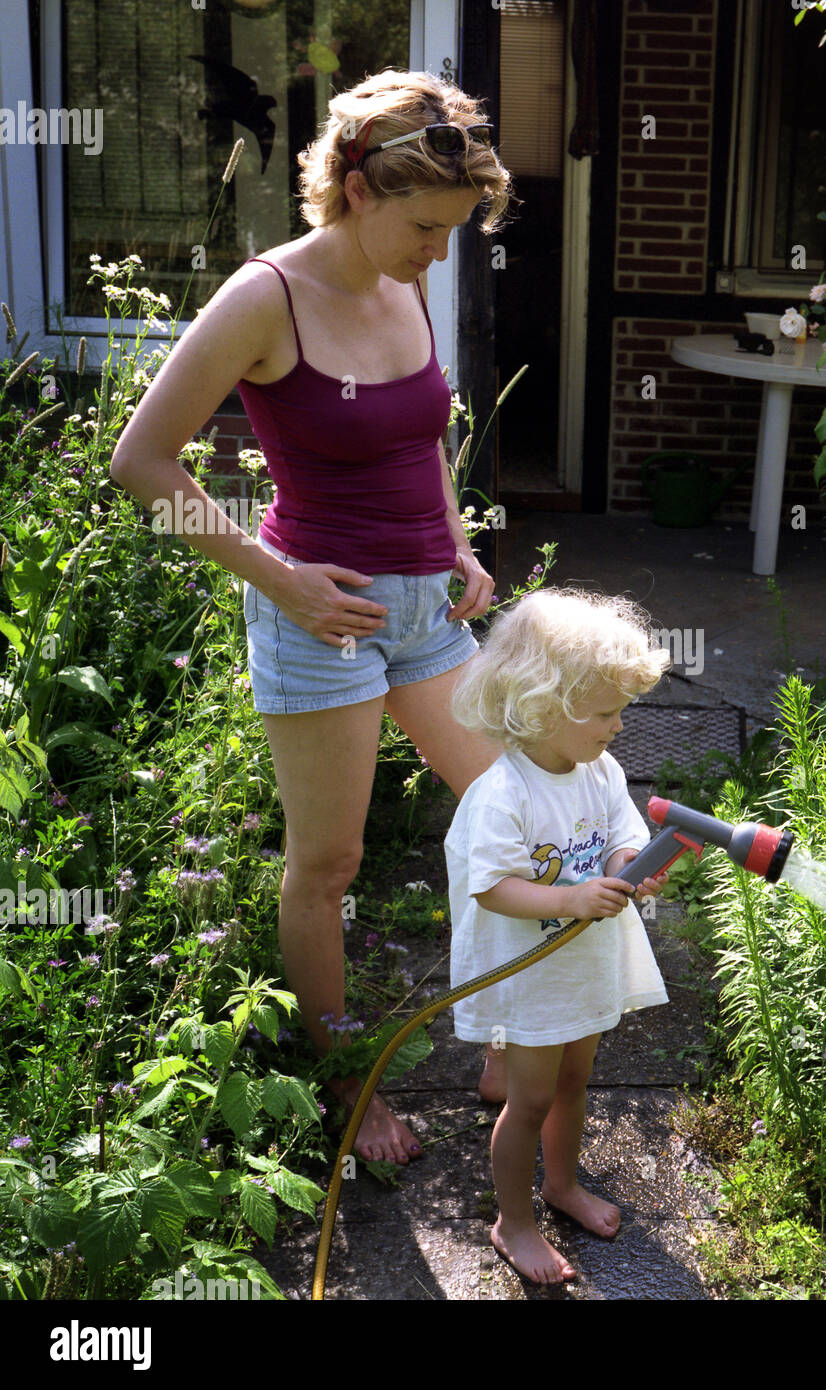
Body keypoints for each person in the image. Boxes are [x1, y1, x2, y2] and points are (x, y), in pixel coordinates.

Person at [109, 69, 514, 1165]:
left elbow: (421, 434)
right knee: (325, 865)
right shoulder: (265, 298)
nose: (440, 253)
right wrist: (274, 576)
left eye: (453, 231)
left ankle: (500, 1032)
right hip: (317, 615)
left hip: (426, 607)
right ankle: (342, 1082)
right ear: (354, 187)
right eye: (428, 227)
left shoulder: (408, 276)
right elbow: (139, 461)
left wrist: (458, 544)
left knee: (505, 805)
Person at [445, 588, 673, 1284]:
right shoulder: (502, 792)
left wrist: (627, 873)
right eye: (605, 712)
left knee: (575, 1083)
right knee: (531, 1100)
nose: (618, 726)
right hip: (530, 974)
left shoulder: (599, 772)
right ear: (544, 705)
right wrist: (573, 896)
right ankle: (512, 1221)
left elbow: (620, 842)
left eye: (620, 711)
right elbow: (492, 886)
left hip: (581, 968)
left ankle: (562, 1185)